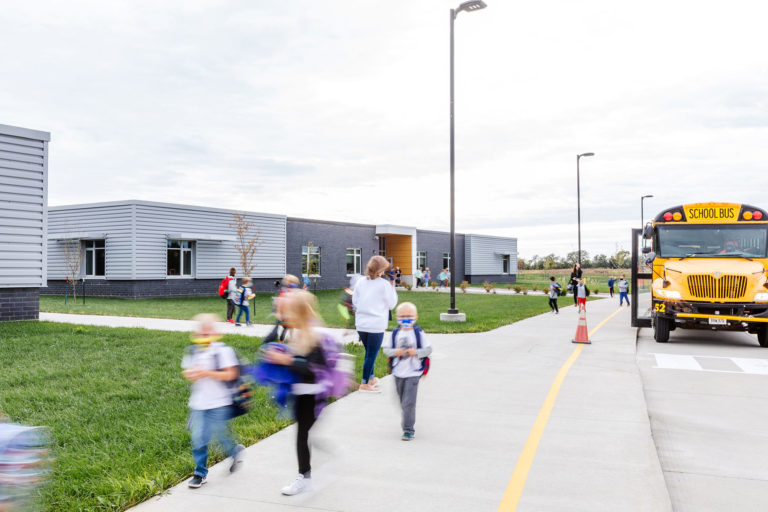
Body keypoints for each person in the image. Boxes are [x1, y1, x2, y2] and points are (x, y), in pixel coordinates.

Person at [262, 290, 333, 496]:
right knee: (304, 434)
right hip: (302, 393)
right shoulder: (300, 331)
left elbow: (314, 369)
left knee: (303, 435)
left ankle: (304, 476)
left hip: (314, 395)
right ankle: (307, 471)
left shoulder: (314, 334)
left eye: (288, 312)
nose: (284, 316)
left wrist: (287, 360)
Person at [182, 314, 245, 489]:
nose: (203, 335)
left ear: (215, 333)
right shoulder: (193, 351)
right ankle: (200, 473)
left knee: (221, 436)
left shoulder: (223, 351)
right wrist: (192, 374)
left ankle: (234, 451)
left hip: (220, 403)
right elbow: (188, 372)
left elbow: (231, 374)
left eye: (207, 331)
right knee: (199, 439)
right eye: (200, 332)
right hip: (199, 404)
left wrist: (207, 373)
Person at [382, 302, 432, 441]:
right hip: (398, 372)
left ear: (415, 318)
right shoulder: (395, 333)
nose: (405, 319)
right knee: (401, 401)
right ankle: (407, 418)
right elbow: (386, 350)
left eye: (409, 316)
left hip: (413, 373)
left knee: (408, 403)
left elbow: (428, 349)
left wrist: (415, 352)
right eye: (402, 316)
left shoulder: (418, 333)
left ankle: (408, 429)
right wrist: (395, 352)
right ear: (397, 317)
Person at [352, 256, 398, 392]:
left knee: (369, 352)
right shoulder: (384, 284)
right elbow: (392, 304)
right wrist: (393, 287)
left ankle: (371, 378)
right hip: (376, 324)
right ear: (379, 269)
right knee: (371, 354)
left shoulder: (360, 281)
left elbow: (355, 301)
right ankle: (364, 383)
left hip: (361, 323)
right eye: (384, 268)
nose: (385, 271)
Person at [263, 274, 300, 343]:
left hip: (291, 314)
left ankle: (291, 340)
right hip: (285, 314)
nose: (294, 284)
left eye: (295, 283)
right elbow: (280, 302)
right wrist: (279, 313)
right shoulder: (284, 291)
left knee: (291, 328)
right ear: (287, 282)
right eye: (292, 282)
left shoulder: (294, 291)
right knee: (286, 328)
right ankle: (281, 341)